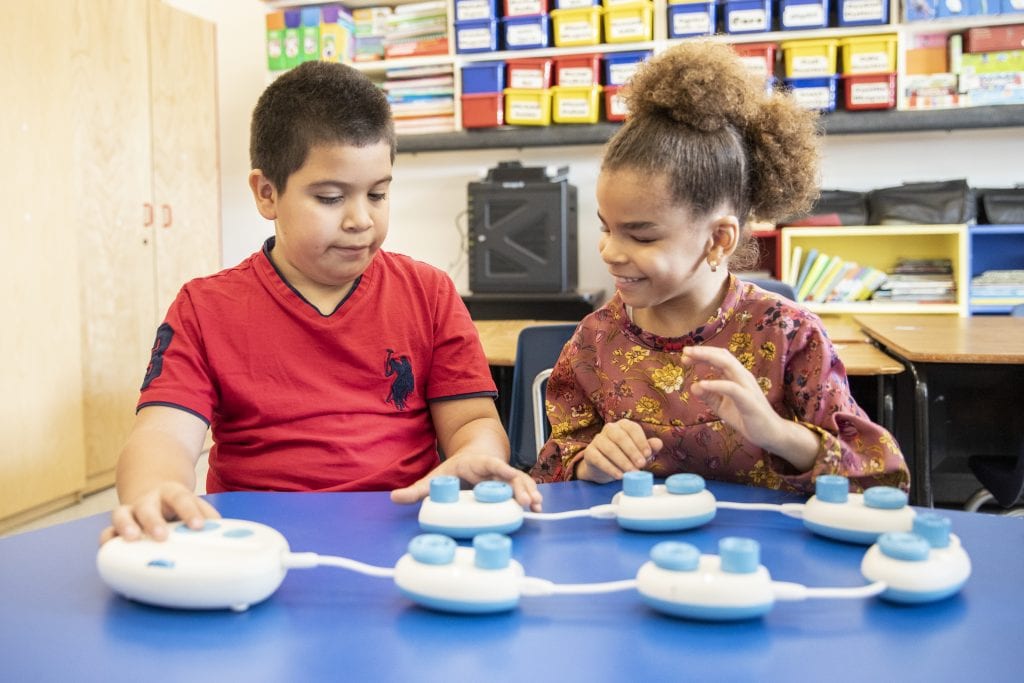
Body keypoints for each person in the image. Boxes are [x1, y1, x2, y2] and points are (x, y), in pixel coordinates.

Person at [104, 61, 541, 543]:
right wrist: (156, 492)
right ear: (267, 193)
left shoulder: (430, 293)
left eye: (378, 194)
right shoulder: (205, 307)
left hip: (404, 530)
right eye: (331, 198)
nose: (360, 219)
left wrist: (472, 455)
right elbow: (162, 434)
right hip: (257, 540)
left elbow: (473, 422)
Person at [530, 42, 909, 494]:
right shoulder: (594, 341)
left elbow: (881, 479)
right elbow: (551, 471)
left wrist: (775, 432)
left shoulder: (789, 335)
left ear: (719, 239)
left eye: (642, 236)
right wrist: (589, 463)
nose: (610, 251)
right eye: (606, 228)